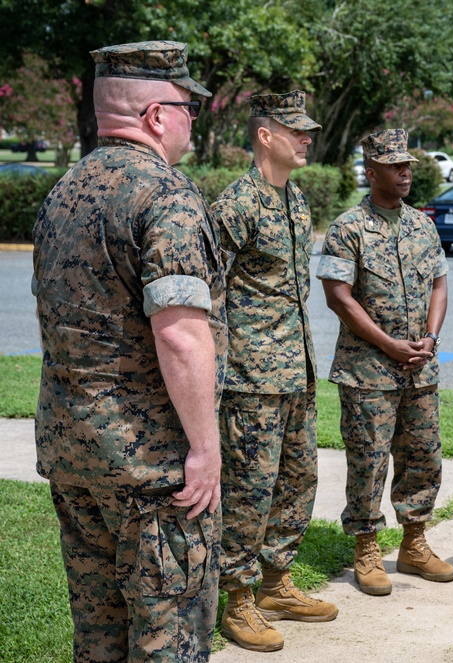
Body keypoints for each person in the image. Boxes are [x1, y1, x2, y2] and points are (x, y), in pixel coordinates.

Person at [32, 41, 226, 661]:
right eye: (188, 107)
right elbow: (179, 332)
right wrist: (205, 446)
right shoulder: (164, 194)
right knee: (168, 637)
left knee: (98, 635)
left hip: (74, 452)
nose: (193, 119)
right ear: (155, 116)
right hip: (151, 468)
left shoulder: (63, 191)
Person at [210, 91, 338, 652]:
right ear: (266, 135)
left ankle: (276, 582)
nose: (307, 138)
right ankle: (236, 599)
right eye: (296, 130)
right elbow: (208, 292)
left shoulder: (297, 200)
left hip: (296, 371)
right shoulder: (235, 204)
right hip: (250, 378)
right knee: (248, 490)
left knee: (298, 478)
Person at [317, 128, 453, 596]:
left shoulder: (422, 224)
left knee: (423, 457)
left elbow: (439, 283)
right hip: (368, 371)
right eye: (395, 165)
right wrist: (388, 344)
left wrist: (430, 339)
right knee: (368, 460)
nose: (405, 172)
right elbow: (339, 297)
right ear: (371, 172)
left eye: (408, 165)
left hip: (420, 368)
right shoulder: (348, 227)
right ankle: (366, 546)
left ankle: (414, 543)